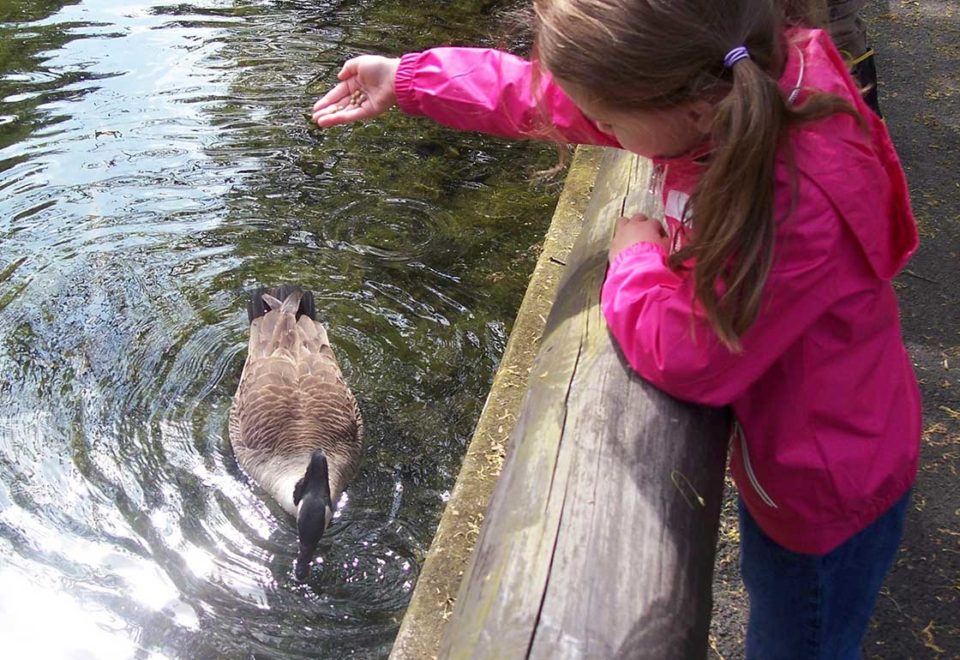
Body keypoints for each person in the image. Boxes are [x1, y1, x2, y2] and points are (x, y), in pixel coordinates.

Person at [312, 1, 920, 657]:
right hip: (810, 446)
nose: (594, 128)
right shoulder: (736, 76)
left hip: (823, 486)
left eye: (607, 120)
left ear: (689, 110)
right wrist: (407, 79)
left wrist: (634, 261)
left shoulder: (789, 208)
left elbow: (693, 355)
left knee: (802, 635)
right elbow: (541, 97)